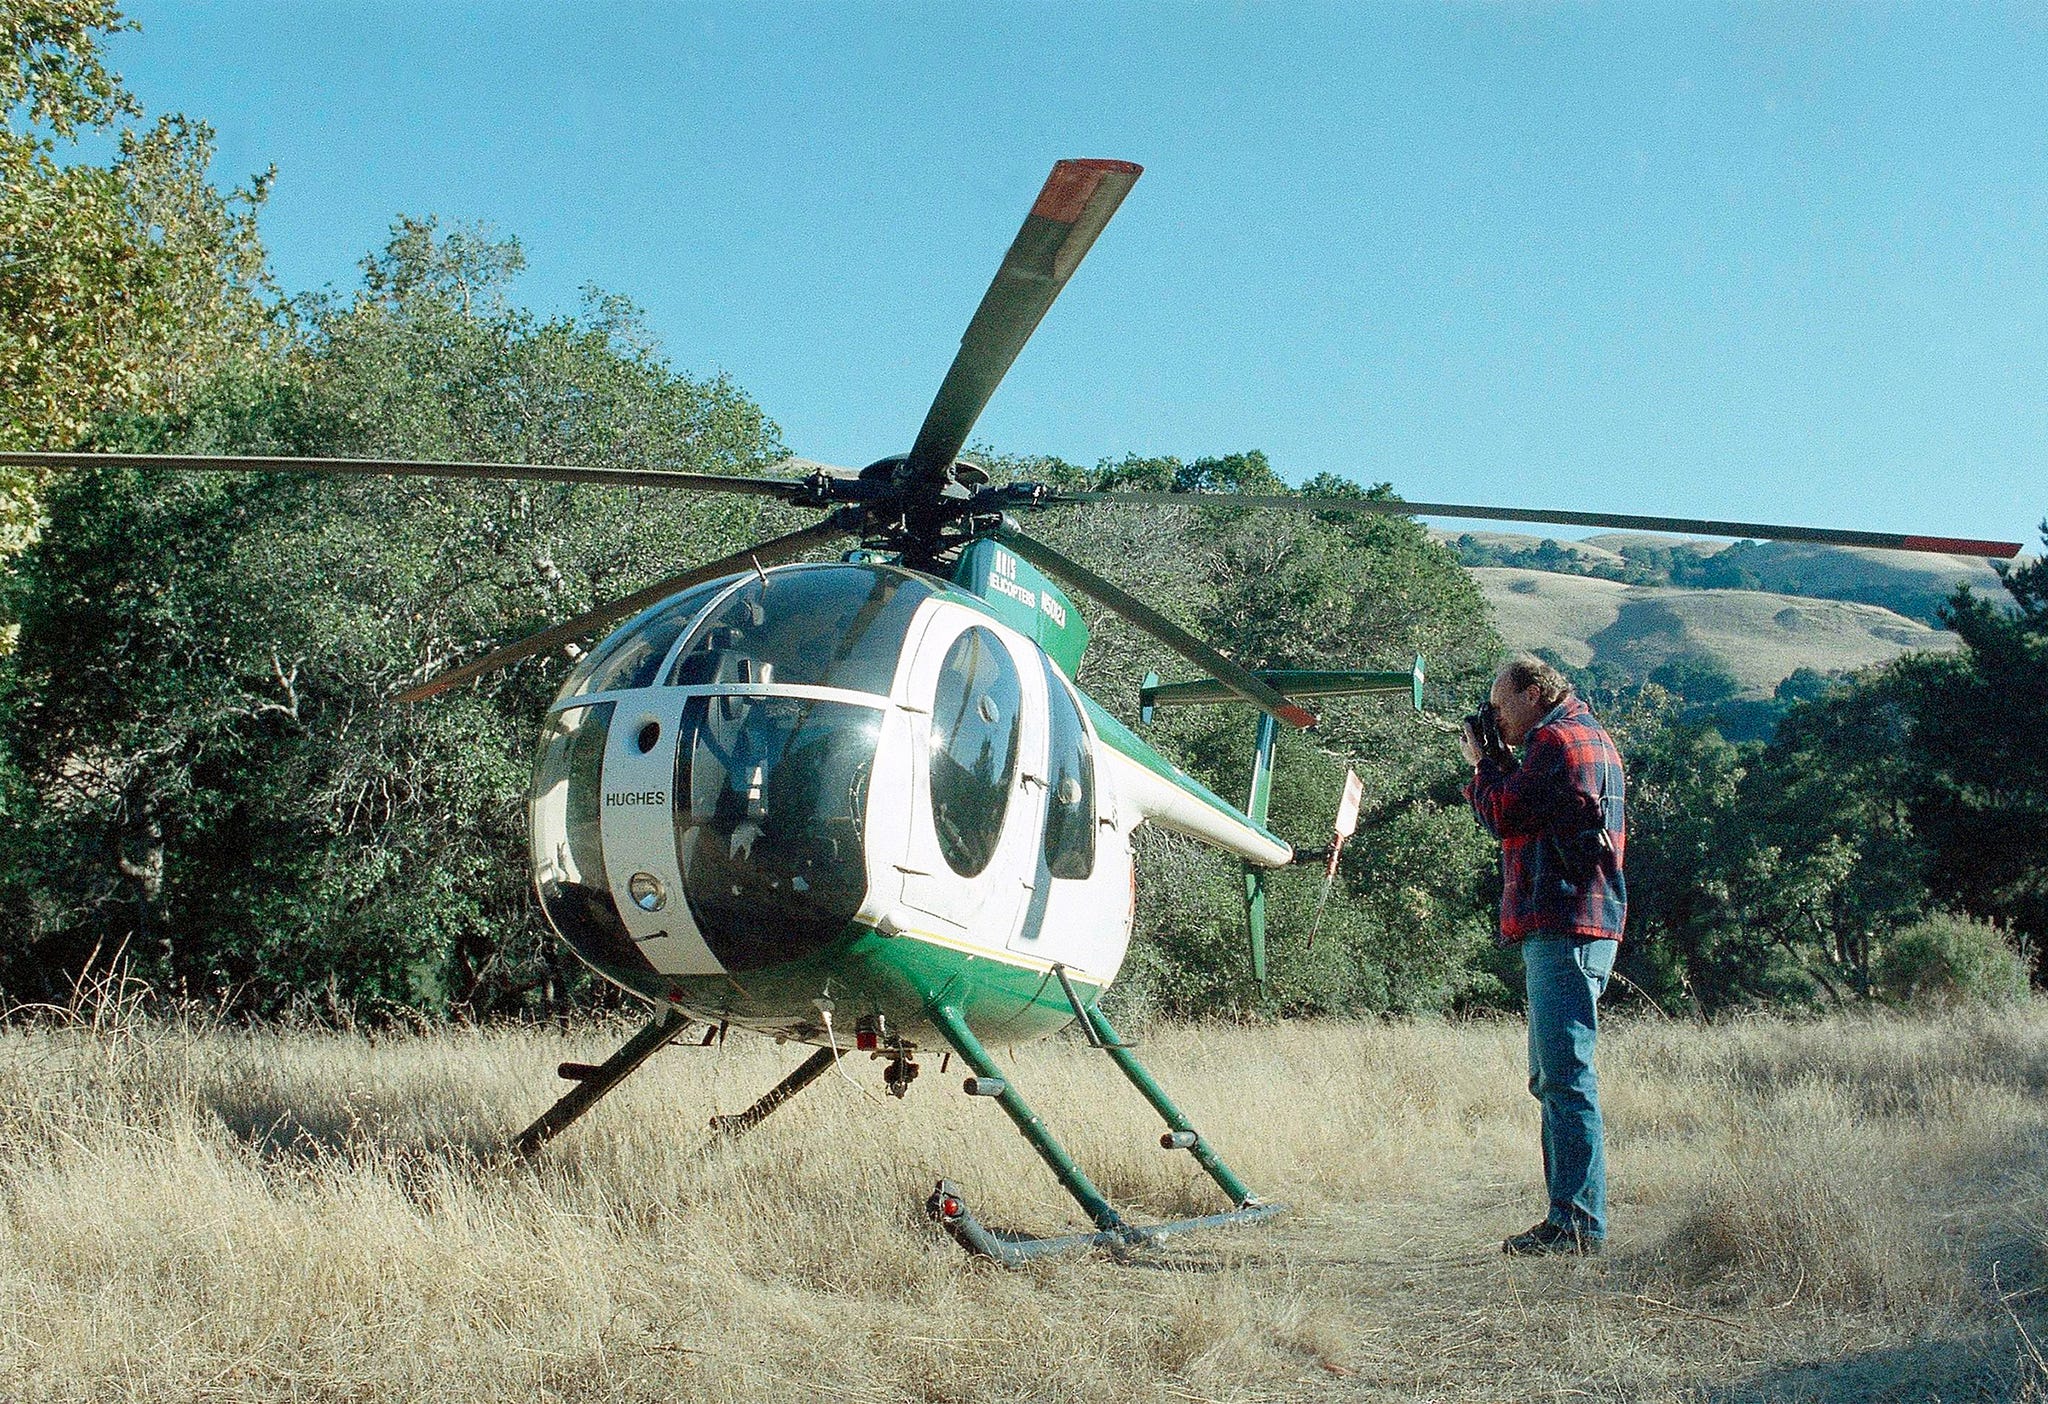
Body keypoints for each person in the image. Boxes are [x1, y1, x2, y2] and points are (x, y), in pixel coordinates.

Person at [1462, 653, 1626, 1257]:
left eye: (1502, 708)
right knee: (1553, 1077)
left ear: (1533, 693)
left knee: (1566, 1077)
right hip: (1574, 921)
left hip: (1564, 920)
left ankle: (1577, 1224)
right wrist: (1502, 761)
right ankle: (1571, 1219)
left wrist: (1482, 765)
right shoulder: (1581, 736)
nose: (1496, 720)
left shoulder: (1557, 742)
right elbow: (1535, 807)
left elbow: (1505, 814)